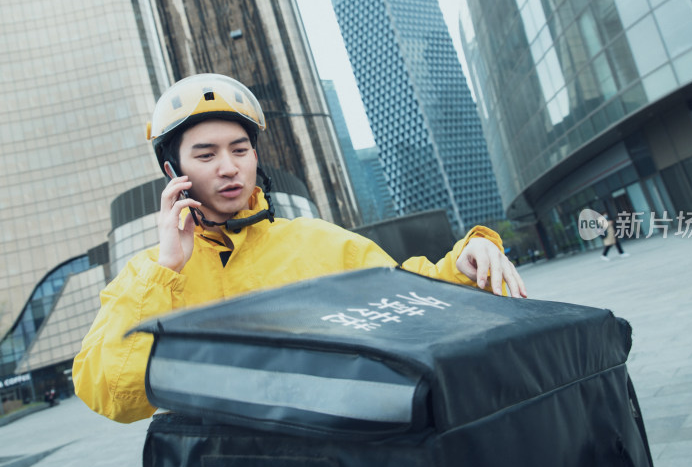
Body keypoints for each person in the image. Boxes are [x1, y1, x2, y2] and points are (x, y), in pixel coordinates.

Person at [73, 73, 527, 424]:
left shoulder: (315, 241)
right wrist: (168, 267)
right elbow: (110, 392)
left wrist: (463, 266)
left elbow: (404, 293)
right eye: (206, 155)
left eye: (241, 149)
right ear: (174, 169)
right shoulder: (146, 276)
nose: (229, 167)